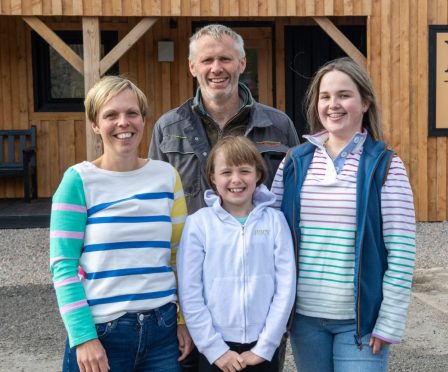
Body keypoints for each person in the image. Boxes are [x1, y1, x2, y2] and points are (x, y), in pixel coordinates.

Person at [271, 57, 417, 372]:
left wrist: (390, 320)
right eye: (325, 97)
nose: (333, 105)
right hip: (305, 319)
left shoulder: (385, 165)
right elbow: (270, 232)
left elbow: (402, 250)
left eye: (344, 95)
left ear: (365, 102)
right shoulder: (294, 162)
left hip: (360, 321)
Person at [50, 76, 192, 372]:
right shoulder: (78, 181)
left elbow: (179, 255)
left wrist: (182, 320)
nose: (123, 122)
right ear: (95, 124)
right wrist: (83, 337)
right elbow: (63, 265)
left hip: (162, 331)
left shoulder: (166, 176)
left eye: (132, 113)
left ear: (143, 119)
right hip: (102, 333)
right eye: (111, 115)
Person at [148, 23, 299, 215]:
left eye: (225, 59)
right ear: (192, 67)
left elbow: (293, 197)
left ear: (242, 63)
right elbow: (155, 199)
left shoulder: (279, 126)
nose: (216, 68)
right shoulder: (168, 128)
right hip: (191, 244)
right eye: (207, 60)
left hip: (261, 242)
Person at [177, 136, 296, 372]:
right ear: (212, 177)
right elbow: (190, 291)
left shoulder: (275, 221)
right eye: (226, 172)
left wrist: (265, 346)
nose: (236, 179)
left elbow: (286, 287)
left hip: (262, 347)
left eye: (244, 171)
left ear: (258, 175)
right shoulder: (199, 224)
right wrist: (214, 349)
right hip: (215, 348)